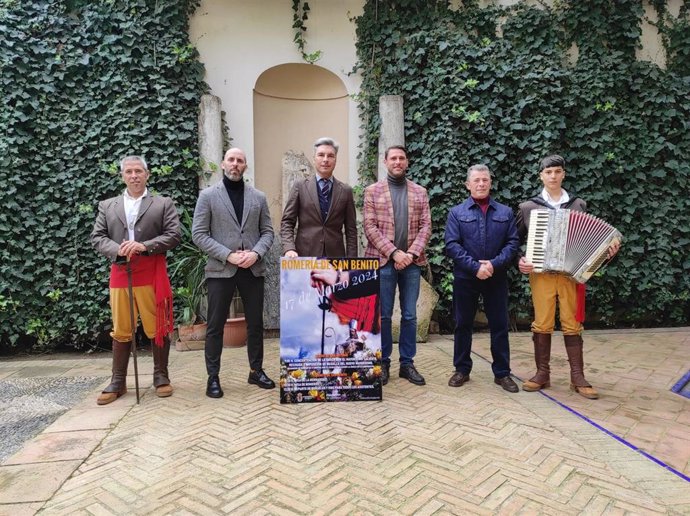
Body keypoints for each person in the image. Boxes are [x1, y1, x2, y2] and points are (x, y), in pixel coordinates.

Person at [516, 154, 620, 399]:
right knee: (542, 322)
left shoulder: (578, 204)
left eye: (557, 171)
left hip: (570, 275)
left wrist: (609, 254)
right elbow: (515, 241)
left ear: (563, 174)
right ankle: (542, 373)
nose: (553, 176)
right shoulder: (528, 207)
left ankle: (577, 376)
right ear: (541, 175)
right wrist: (520, 259)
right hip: (541, 274)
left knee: (572, 323)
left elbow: (593, 243)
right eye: (548, 172)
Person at [91, 155, 180, 405]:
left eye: (138, 171)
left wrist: (144, 245)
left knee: (157, 326)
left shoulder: (162, 203)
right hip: (121, 272)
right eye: (129, 172)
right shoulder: (108, 206)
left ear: (147, 174)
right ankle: (118, 381)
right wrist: (117, 249)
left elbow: (174, 235)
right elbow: (97, 237)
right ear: (122, 175)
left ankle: (161, 376)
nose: (134, 176)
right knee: (121, 327)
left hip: (151, 270)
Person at [192, 148, 275, 398]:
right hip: (221, 269)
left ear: (245, 166)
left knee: (256, 324)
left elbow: (268, 232)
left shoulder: (258, 197)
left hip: (252, 268)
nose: (235, 164)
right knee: (216, 324)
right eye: (231, 160)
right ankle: (213, 377)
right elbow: (199, 234)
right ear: (223, 164)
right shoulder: (207, 196)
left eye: (240, 161)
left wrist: (256, 254)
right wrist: (227, 254)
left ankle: (255, 370)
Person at [445, 164, 520, 393]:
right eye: (476, 180)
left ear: (490, 182)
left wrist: (494, 264)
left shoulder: (505, 213)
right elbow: (452, 245)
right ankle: (462, 369)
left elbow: (512, 243)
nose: (481, 184)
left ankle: (502, 373)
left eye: (485, 180)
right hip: (466, 277)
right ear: (468, 185)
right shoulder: (456, 213)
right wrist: (474, 267)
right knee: (463, 324)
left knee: (499, 324)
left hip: (496, 277)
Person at [363, 145, 432, 386]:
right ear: (385, 162)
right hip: (383, 262)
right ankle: (382, 364)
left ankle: (407, 363)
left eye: (402, 158)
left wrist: (410, 254)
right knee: (382, 315)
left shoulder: (420, 192)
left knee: (410, 315)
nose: (398, 162)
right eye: (393, 158)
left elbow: (426, 227)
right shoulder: (372, 191)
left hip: (411, 264)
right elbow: (370, 227)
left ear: (407, 162)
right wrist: (393, 253)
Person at [280, 137, 358, 258]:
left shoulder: (346, 191)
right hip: (304, 257)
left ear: (335, 160)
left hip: (335, 258)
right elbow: (287, 222)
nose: (325, 160)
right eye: (321, 155)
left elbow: (351, 230)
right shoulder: (300, 186)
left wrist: (352, 260)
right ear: (314, 158)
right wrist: (289, 248)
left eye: (330, 156)